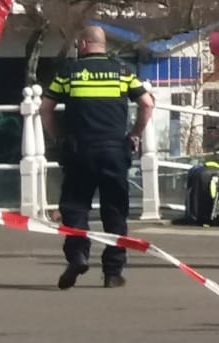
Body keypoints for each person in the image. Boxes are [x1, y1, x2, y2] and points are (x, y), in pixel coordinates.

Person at [40, 25, 153, 290]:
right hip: (114, 151)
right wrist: (134, 133)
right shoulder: (122, 72)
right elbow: (147, 103)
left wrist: (59, 138)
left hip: (80, 151)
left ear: (83, 44)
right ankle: (113, 272)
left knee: (75, 207)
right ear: (102, 45)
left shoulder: (69, 72)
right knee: (115, 212)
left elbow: (46, 109)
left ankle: (78, 255)